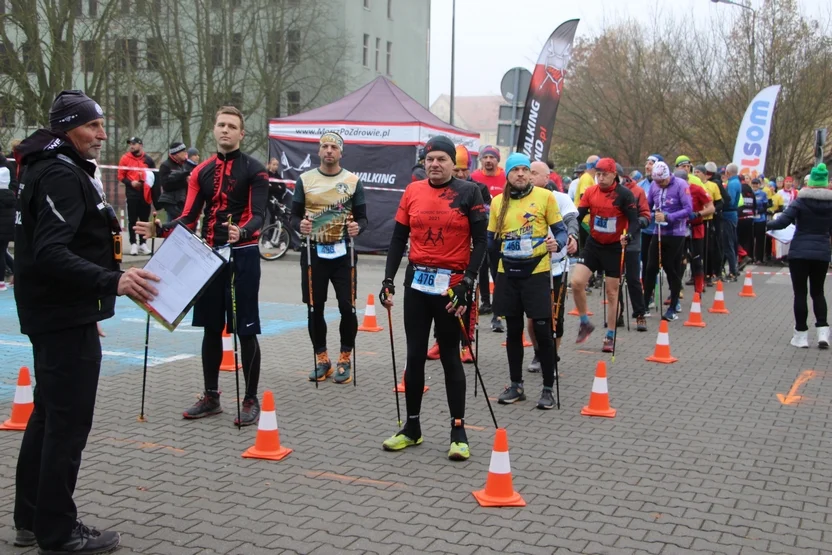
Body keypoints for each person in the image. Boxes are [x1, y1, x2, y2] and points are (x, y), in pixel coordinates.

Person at [13, 90, 160, 553]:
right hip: (58, 317)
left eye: (102, 124)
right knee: (67, 424)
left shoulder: (55, 166)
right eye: (92, 126)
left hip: (64, 312)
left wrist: (89, 303)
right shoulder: (58, 173)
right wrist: (110, 281)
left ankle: (31, 519)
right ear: (67, 129)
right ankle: (57, 532)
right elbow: (51, 251)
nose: (101, 134)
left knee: (48, 416)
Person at [135, 106, 269, 426]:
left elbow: (260, 215)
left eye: (231, 126)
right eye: (220, 124)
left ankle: (250, 399)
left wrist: (244, 231)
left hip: (244, 255)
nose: (225, 130)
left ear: (241, 133)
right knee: (211, 327)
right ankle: (211, 396)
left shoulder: (255, 169)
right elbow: (190, 217)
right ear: (214, 129)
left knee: (244, 329)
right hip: (209, 257)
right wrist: (161, 229)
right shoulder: (201, 171)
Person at [379, 135, 486, 460]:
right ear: (423, 162)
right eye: (430, 159)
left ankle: (458, 431)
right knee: (414, 357)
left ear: (453, 163)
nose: (435, 164)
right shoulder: (413, 191)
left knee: (451, 356)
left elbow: (481, 242)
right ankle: (412, 428)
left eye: (442, 159)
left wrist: (467, 282)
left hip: (451, 286)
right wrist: (388, 279)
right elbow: (398, 239)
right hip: (417, 283)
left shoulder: (469, 192)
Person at [487, 154, 566, 409]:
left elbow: (561, 231)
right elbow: (490, 240)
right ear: (507, 175)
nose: (520, 174)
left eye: (525, 169)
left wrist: (558, 242)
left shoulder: (545, 197)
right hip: (508, 272)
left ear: (531, 175)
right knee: (513, 331)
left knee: (543, 330)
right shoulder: (499, 202)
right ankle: (516, 385)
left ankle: (547, 388)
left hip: (537, 271)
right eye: (515, 170)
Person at [291, 132, 367, 384]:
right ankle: (323, 360)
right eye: (324, 146)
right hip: (314, 253)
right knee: (315, 308)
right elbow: (293, 216)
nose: (329, 151)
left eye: (334, 147)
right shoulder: (305, 179)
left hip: (343, 253)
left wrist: (359, 227)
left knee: (347, 307)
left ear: (341, 152)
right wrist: (299, 225)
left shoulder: (353, 181)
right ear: (319, 150)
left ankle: (345, 359)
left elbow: (363, 218)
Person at [571, 157, 639, 350]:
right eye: (598, 174)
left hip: (614, 247)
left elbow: (634, 221)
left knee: (611, 292)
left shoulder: (624, 195)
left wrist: (630, 236)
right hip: (594, 244)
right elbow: (579, 215)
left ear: (614, 175)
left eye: (605, 175)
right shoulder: (590, 192)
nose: (600, 178)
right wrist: (569, 231)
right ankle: (585, 322)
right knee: (576, 283)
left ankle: (610, 335)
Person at [767, 163, 832, 348]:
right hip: (821, 253)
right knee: (818, 292)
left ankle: (801, 336)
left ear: (810, 183)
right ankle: (822, 333)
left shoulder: (800, 201)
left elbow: (782, 222)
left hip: (799, 252)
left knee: (800, 293)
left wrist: (767, 226)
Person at [526, 160, 579, 372]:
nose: (529, 176)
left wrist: (573, 235)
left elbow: (571, 219)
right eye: (527, 172)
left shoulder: (560, 198)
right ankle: (539, 353)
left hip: (556, 265)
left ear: (547, 178)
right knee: (533, 316)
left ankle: (553, 356)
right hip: (531, 265)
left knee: (555, 314)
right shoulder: (521, 199)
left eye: (534, 173)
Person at [643, 162, 692, 321]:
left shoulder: (680, 185)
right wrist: (649, 215)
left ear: (668, 176)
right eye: (656, 181)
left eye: (661, 181)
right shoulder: (654, 186)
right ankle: (644, 304)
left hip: (676, 233)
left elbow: (688, 209)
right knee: (650, 268)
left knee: (671, 269)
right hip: (657, 232)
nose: (659, 184)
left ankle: (673, 305)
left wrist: (668, 217)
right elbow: (648, 205)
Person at [471, 145, 506, 332]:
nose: (489, 160)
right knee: (481, 268)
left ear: (497, 160)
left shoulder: (505, 177)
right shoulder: (475, 178)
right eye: (486, 157)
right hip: (481, 230)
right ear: (481, 160)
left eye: (492, 157)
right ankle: (485, 301)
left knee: (497, 268)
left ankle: (498, 308)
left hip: (500, 230)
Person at [618, 163, 650, 331]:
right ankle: (618, 314)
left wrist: (638, 223)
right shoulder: (604, 192)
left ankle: (640, 314)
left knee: (632, 280)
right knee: (614, 281)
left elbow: (646, 215)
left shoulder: (637, 191)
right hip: (613, 242)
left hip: (632, 241)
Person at [677, 168, 715, 294]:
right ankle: (676, 290)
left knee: (697, 259)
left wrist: (698, 213)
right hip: (680, 229)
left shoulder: (697, 189)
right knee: (679, 260)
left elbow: (711, 208)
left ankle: (698, 289)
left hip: (696, 228)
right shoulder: (673, 190)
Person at [118, 137, 155, 256]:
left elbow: (154, 176)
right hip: (132, 193)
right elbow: (120, 176)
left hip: (145, 193)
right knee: (132, 219)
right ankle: (133, 243)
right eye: (130, 144)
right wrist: (131, 183)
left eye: (134, 144)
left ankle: (143, 243)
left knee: (144, 219)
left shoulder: (148, 160)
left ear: (140, 145)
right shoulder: (125, 158)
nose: (131, 146)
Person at [693, 164, 724, 286]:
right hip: (695, 220)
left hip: (708, 220)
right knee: (695, 249)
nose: (696, 175)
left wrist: (713, 210)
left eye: (698, 172)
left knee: (708, 248)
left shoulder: (713, 185)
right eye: (694, 172)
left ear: (704, 174)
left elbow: (720, 203)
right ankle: (695, 275)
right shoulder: (692, 185)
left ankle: (709, 274)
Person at [639, 155, 662, 310]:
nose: (648, 166)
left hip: (659, 230)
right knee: (644, 263)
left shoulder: (662, 184)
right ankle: (647, 292)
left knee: (654, 264)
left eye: (651, 163)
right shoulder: (640, 185)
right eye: (647, 163)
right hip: (644, 230)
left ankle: (651, 291)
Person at [156, 141, 191, 222]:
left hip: (180, 200)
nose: (186, 153)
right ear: (177, 153)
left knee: (177, 225)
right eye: (183, 151)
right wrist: (184, 181)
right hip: (171, 201)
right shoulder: (165, 165)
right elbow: (166, 185)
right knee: (173, 225)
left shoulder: (182, 165)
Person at [720, 163, 742, 281]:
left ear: (728, 172)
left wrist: (721, 203)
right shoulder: (736, 182)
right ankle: (723, 267)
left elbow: (730, 200)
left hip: (728, 215)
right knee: (727, 243)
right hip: (731, 215)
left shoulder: (732, 184)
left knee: (728, 243)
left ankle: (733, 271)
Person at [575, 154, 600, 250]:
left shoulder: (592, 178)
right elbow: (584, 197)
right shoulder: (586, 177)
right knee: (587, 247)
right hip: (584, 219)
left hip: (589, 218)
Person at [751, 178, 770, 262]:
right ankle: (750, 257)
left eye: (756, 184)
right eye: (753, 183)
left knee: (760, 240)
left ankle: (759, 258)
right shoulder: (749, 193)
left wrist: (758, 211)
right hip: (751, 219)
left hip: (760, 219)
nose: (755, 185)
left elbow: (765, 207)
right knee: (751, 239)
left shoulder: (763, 194)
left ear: (759, 185)